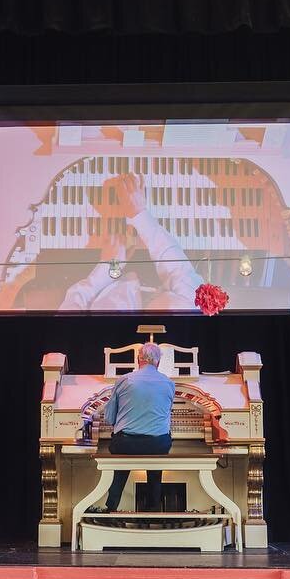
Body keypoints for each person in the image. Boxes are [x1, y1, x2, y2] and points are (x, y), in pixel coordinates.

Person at [58, 174, 204, 312]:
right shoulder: (194, 308)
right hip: (155, 277)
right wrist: (139, 214)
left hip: (107, 278)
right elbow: (179, 272)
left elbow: (78, 298)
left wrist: (111, 266)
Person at [93, 342, 176, 513]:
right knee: (155, 467)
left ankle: (111, 508)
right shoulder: (169, 383)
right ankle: (153, 510)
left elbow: (109, 417)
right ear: (158, 362)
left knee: (120, 466)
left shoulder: (124, 380)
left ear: (139, 359)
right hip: (158, 443)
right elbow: (166, 414)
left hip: (126, 443)